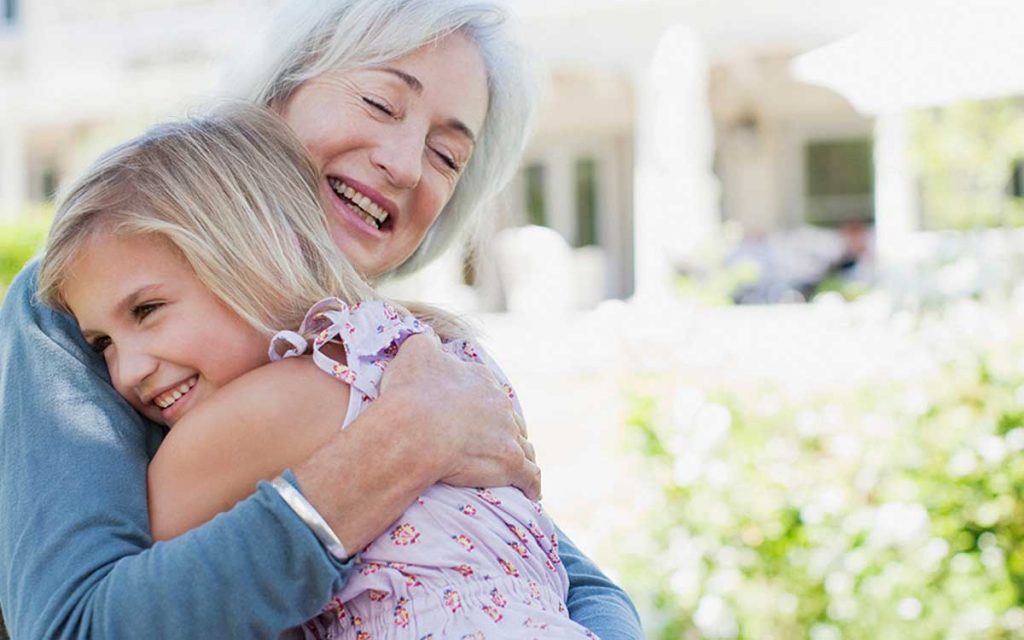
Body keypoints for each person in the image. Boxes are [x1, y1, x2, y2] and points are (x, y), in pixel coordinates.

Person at [0, 1, 642, 638]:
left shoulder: (410, 356)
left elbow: (569, 582)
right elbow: (73, 625)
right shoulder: (93, 282)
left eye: (447, 156)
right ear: (275, 99)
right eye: (380, 104)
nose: (406, 164)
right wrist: (400, 445)